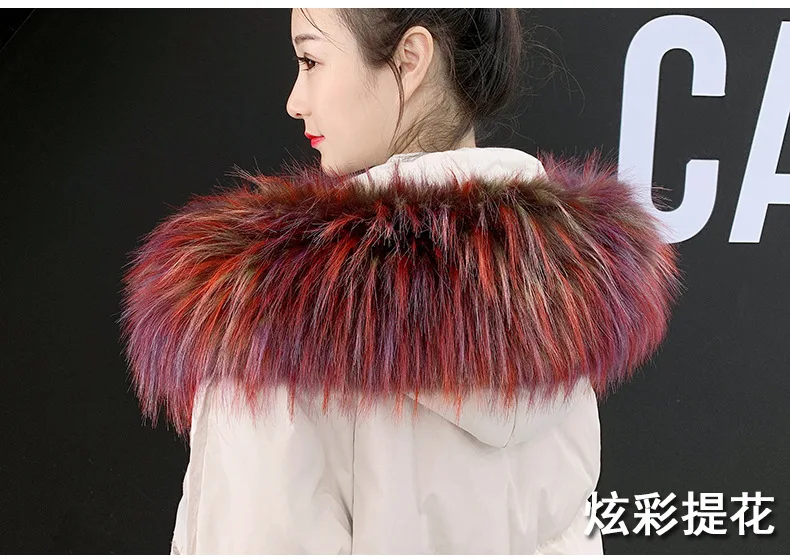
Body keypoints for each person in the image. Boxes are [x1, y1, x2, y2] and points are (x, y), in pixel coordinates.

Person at [119, 8, 681, 554]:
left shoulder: (273, 316)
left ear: (410, 59)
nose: (294, 100)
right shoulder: (555, 290)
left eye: (310, 61)